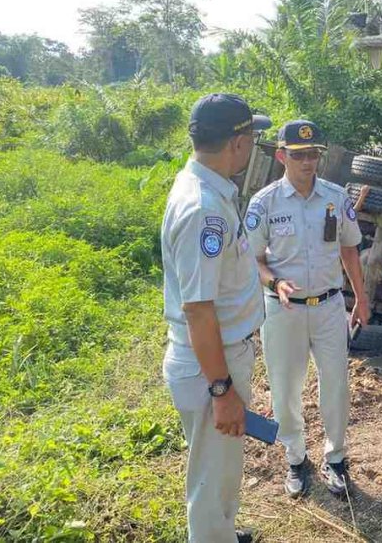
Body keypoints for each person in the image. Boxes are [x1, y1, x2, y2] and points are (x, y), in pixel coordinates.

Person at [161, 93, 272, 543]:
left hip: (219, 357)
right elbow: (198, 309)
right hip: (212, 364)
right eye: (252, 137)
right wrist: (222, 390)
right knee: (210, 480)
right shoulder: (205, 208)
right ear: (238, 142)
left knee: (219, 469)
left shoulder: (209, 189)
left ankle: (220, 532)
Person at [245, 120, 370, 499]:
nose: (307, 162)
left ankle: (336, 459)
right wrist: (273, 281)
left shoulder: (336, 198)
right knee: (285, 387)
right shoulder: (264, 203)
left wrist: (361, 299)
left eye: (314, 154)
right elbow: (253, 260)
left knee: (336, 384)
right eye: (299, 155)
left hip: (330, 306)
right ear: (282, 155)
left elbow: (349, 248)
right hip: (283, 310)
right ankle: (296, 458)